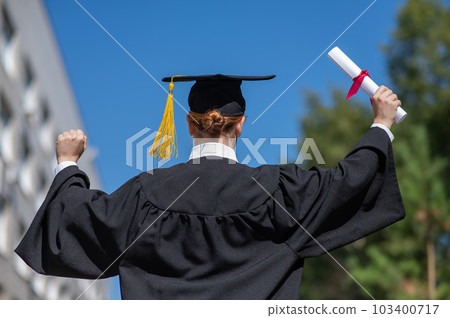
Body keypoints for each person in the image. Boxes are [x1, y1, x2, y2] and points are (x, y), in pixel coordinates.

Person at [15, 74, 405, 299]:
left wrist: (67, 163)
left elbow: (75, 220)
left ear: (188, 124)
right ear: (241, 124)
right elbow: (348, 182)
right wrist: (381, 125)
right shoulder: (279, 192)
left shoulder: (145, 194)